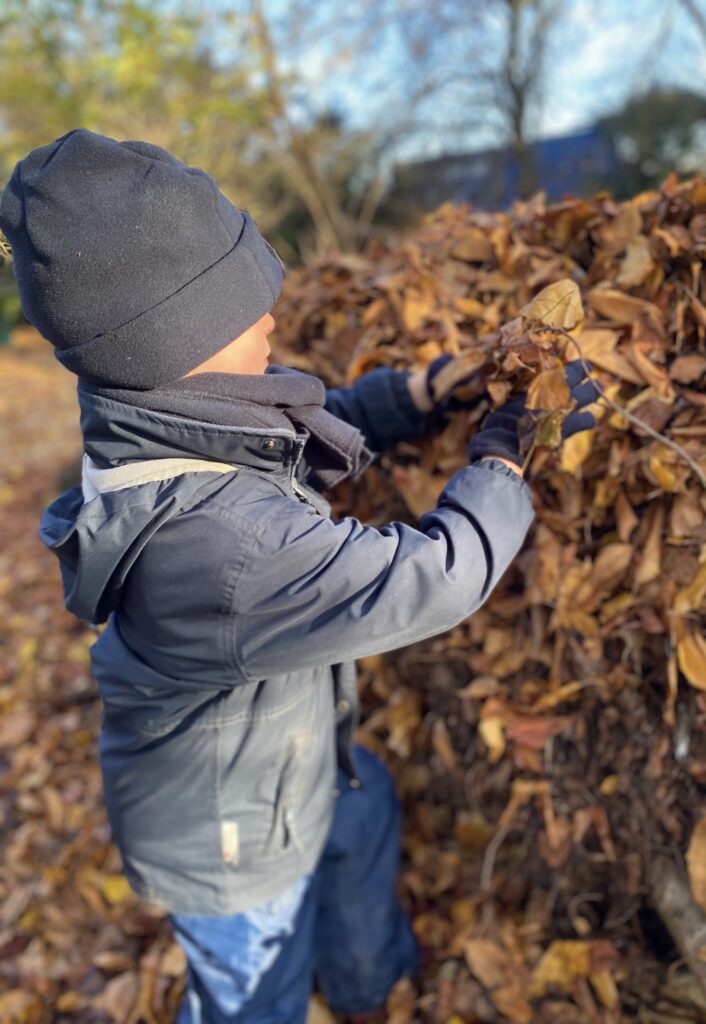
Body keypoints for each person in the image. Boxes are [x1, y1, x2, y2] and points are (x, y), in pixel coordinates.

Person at [0, 129, 598, 1023]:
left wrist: (424, 393)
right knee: (254, 988)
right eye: (246, 309)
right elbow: (428, 577)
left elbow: (284, 435)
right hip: (231, 850)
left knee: (363, 814)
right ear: (171, 343)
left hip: (277, 768)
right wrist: (506, 457)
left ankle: (367, 984)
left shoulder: (153, 416)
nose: (273, 315)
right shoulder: (219, 549)